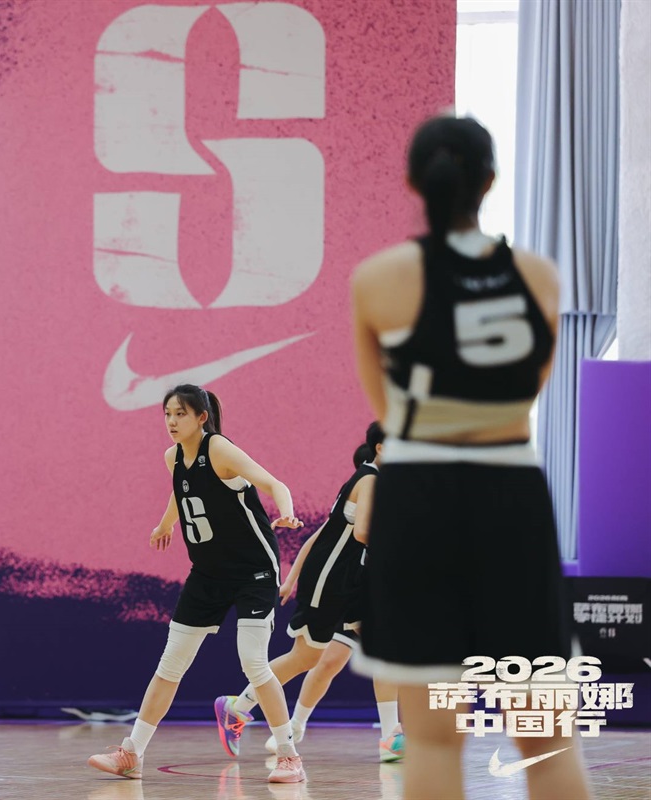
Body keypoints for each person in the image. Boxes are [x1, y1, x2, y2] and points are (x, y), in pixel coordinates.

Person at [349, 114, 590, 799]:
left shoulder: (378, 278)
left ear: (411, 182)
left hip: (417, 494)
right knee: (547, 740)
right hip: (510, 493)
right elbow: (529, 386)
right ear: (491, 180)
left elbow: (387, 407)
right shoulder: (539, 276)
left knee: (431, 738)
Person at [87, 384, 306, 783]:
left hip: (253, 571)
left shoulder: (219, 449)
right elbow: (182, 491)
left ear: (201, 417)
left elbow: (276, 484)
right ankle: (132, 753)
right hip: (207, 572)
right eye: (167, 414)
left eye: (180, 414)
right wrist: (165, 525)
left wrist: (287, 513)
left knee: (253, 661)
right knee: (170, 664)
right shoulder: (173, 456)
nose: (171, 422)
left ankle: (289, 757)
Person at [215, 423, 404, 763]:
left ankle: (391, 736)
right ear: (380, 448)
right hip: (330, 579)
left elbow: (332, 534)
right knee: (306, 658)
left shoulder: (374, 481)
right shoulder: (370, 480)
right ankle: (237, 706)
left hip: (353, 581)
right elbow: (362, 533)